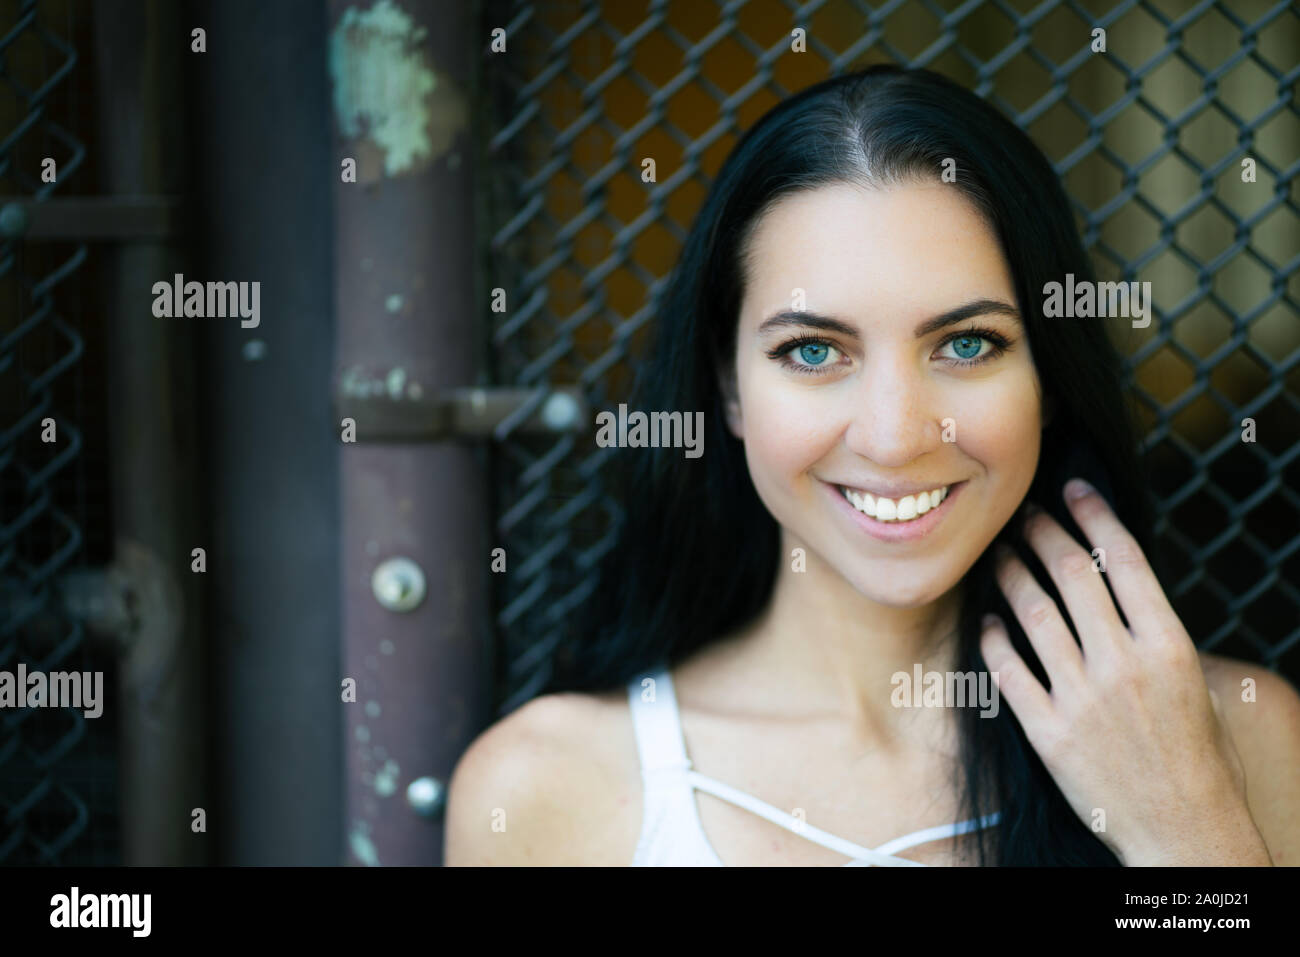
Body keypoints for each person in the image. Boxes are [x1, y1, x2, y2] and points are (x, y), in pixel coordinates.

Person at [445, 65, 1299, 866]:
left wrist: (1189, 835)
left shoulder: (1237, 741)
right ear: (728, 388)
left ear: (1048, 377)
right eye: (814, 351)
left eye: (968, 343)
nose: (893, 438)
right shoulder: (545, 789)